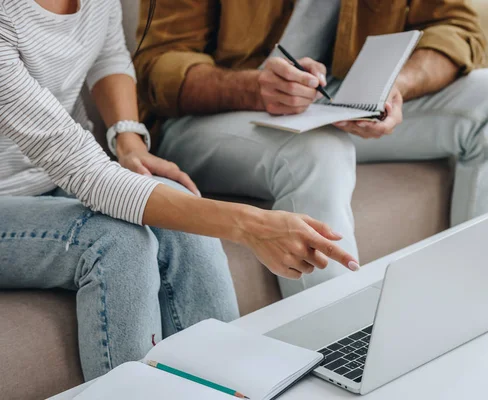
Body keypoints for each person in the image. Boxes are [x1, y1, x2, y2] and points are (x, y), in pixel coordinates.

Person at [0, 0, 358, 381]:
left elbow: (108, 56)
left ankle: (228, 385)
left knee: (179, 210)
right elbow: (87, 174)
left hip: (53, 178)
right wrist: (252, 224)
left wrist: (128, 138)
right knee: (116, 242)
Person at [134, 0, 488, 298]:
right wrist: (253, 86)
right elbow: (155, 67)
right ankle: (340, 351)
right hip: (209, 117)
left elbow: (455, 23)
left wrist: (396, 86)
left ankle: (481, 305)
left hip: (335, 100)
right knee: (318, 150)